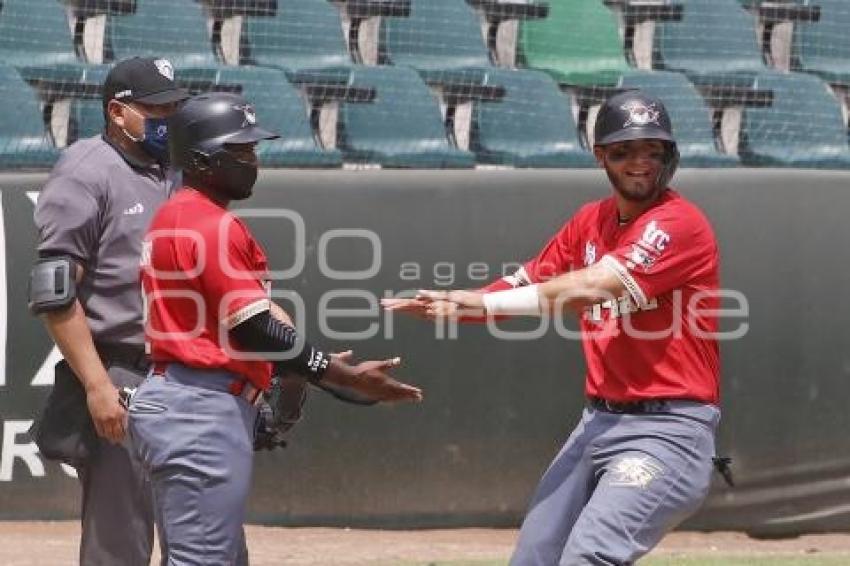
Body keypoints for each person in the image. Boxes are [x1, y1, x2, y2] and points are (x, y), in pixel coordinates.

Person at [384, 90, 722, 565]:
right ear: (601, 155)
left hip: (667, 430)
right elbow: (528, 281)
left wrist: (478, 302)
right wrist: (460, 305)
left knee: (590, 556)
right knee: (535, 558)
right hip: (599, 422)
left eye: (654, 149)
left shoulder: (679, 223)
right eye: (624, 151)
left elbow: (592, 288)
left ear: (671, 153)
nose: (641, 162)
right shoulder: (591, 220)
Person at [129, 92, 422, 565]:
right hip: (200, 408)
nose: (252, 160)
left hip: (192, 402)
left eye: (252, 149)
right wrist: (339, 376)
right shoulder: (209, 225)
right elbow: (257, 330)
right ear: (203, 161)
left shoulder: (177, 215)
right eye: (239, 151)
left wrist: (302, 378)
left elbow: (253, 331)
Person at [29, 56, 189, 565]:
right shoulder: (85, 170)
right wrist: (98, 386)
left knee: (194, 533)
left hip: (184, 370)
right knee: (120, 540)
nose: (168, 117)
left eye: (173, 106)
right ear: (118, 112)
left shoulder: (179, 167)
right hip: (122, 369)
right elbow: (56, 293)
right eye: (156, 108)